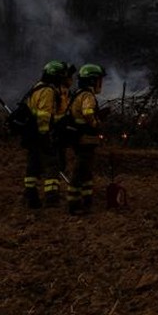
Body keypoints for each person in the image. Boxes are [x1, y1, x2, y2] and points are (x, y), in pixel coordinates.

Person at [22, 60, 66, 209]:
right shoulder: (48, 91)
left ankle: (30, 195)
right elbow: (44, 116)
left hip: (31, 134)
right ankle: (52, 198)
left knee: (33, 166)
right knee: (52, 165)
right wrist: (45, 135)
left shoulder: (36, 88)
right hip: (42, 134)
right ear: (56, 76)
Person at [67, 64, 105, 216]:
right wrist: (97, 122)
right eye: (98, 80)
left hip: (81, 139)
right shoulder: (87, 96)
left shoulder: (78, 93)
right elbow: (88, 113)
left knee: (86, 171)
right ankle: (74, 204)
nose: (100, 84)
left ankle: (87, 199)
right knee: (80, 171)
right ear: (92, 80)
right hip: (85, 139)